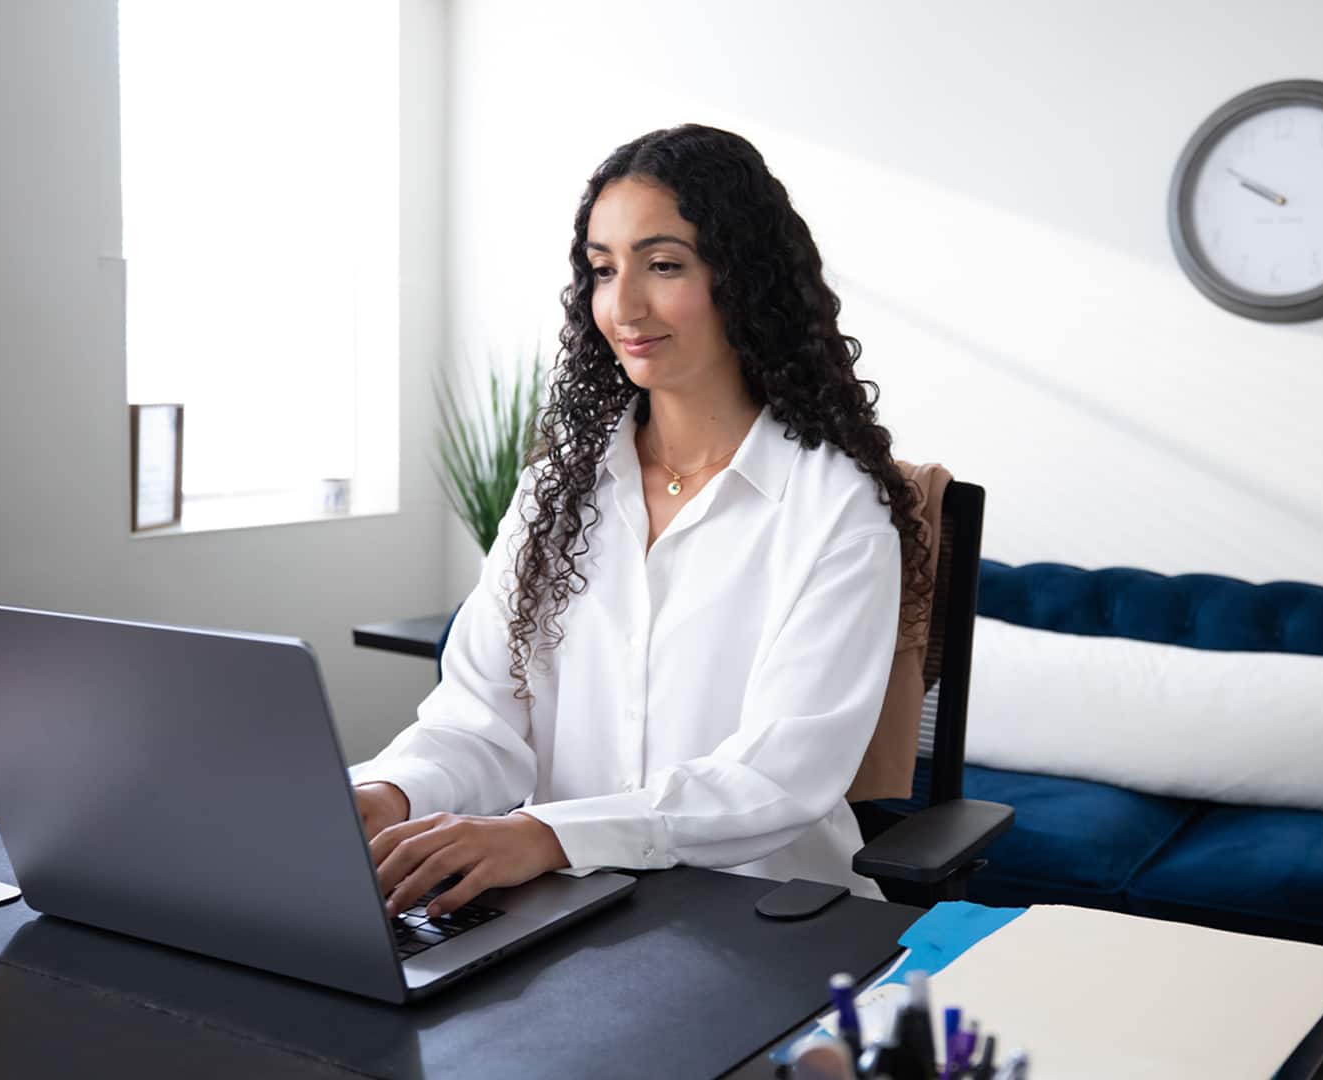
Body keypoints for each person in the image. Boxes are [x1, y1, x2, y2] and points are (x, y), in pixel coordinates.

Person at [351, 124, 932, 918]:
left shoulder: (835, 506)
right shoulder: (557, 492)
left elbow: (778, 776)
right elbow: (479, 722)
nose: (622, 306)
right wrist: (391, 793)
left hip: (765, 919)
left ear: (744, 280)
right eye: (602, 269)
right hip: (563, 912)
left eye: (664, 266)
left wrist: (548, 836)